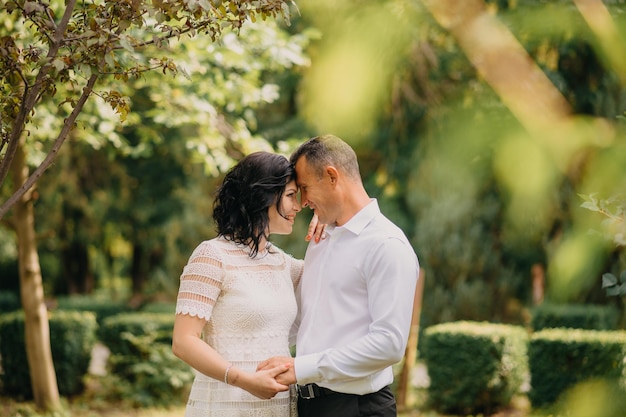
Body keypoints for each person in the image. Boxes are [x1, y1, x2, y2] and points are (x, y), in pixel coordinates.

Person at [258, 134, 420, 417]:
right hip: (308, 405)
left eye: (306, 188)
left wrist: (301, 368)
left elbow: (389, 345)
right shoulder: (322, 238)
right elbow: (305, 320)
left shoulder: (386, 245)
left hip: (356, 407)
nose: (303, 202)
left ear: (332, 176)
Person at [172, 151, 322, 417]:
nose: (298, 206)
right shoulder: (211, 255)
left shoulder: (285, 264)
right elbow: (183, 341)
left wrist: (329, 223)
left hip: (278, 406)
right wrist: (243, 379)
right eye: (290, 196)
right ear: (263, 196)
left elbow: (331, 276)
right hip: (226, 404)